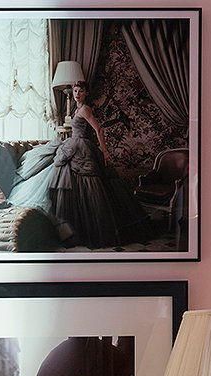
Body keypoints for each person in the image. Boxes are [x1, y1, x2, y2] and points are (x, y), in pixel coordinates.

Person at [8, 81, 151, 250]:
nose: (77, 93)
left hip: (82, 148)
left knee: (89, 187)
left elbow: (98, 129)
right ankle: (65, 227)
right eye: (75, 91)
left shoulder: (85, 109)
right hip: (72, 145)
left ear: (86, 93)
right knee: (63, 181)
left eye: (81, 91)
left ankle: (86, 230)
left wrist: (104, 151)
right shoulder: (77, 109)